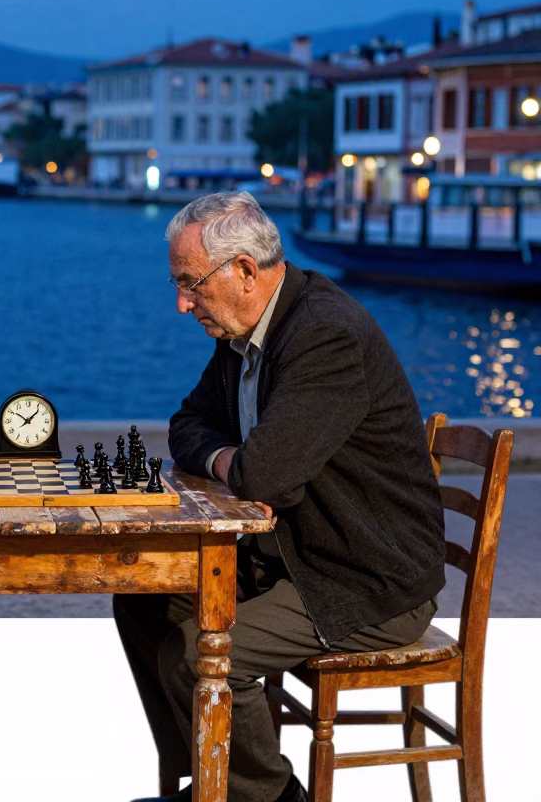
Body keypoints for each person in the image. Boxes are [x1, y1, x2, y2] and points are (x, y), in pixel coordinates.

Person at [114, 192, 445, 802]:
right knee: (142, 599)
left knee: (200, 655)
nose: (182, 304)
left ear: (243, 270)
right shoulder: (244, 330)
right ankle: (206, 779)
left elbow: (264, 478)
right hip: (293, 558)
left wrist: (250, 468)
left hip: (361, 579)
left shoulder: (325, 335)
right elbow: (187, 425)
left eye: (190, 284)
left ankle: (267, 795)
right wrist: (227, 460)